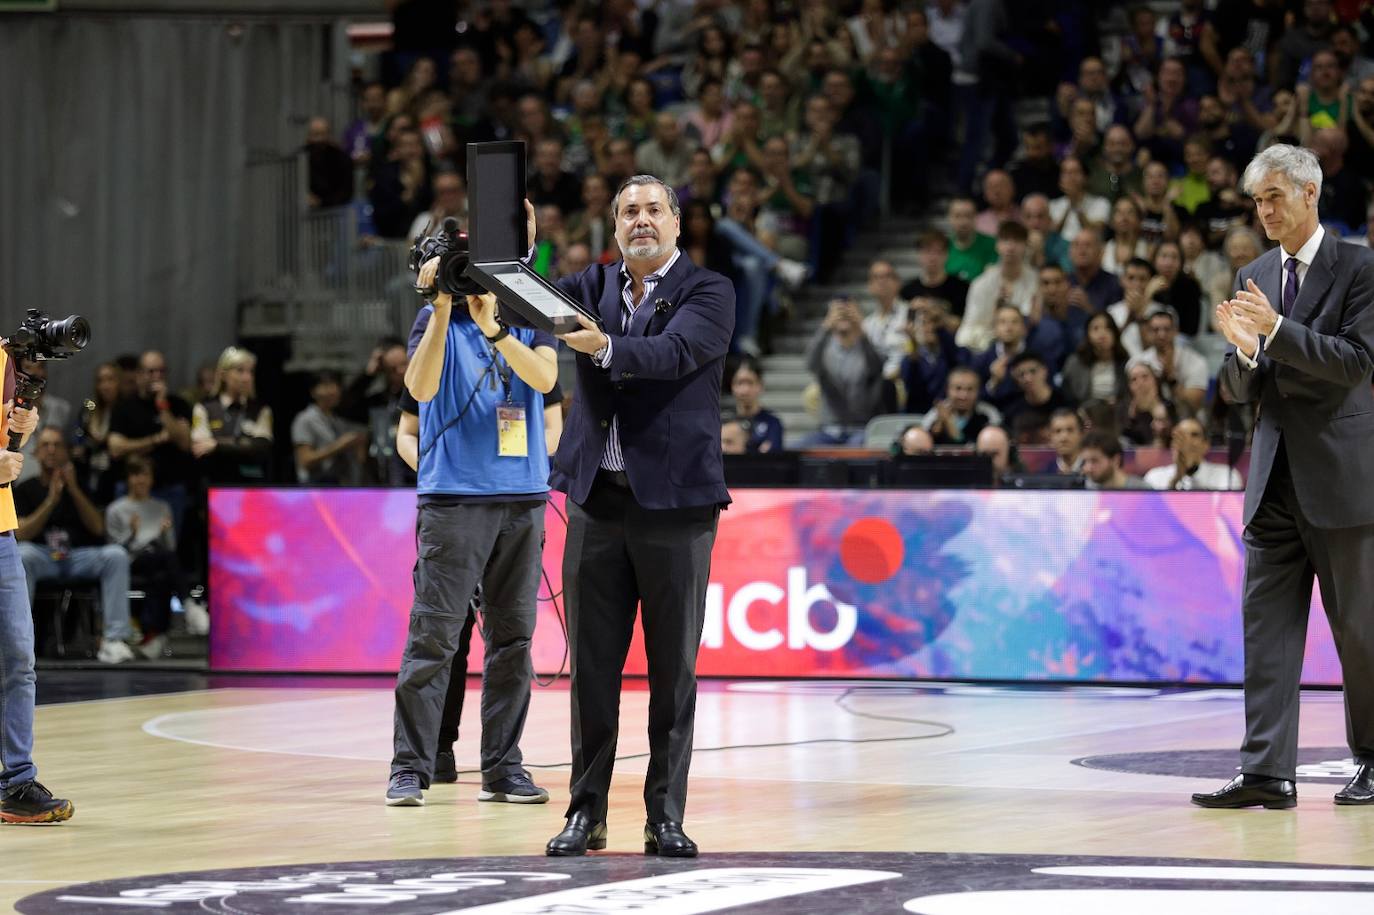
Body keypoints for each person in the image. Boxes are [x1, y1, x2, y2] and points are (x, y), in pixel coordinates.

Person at [540, 175, 734, 858]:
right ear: (614, 225)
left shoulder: (709, 291)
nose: (641, 219)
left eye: (654, 209)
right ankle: (584, 812)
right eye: (629, 210)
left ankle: (664, 815)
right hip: (596, 501)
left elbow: (673, 354)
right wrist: (504, 254)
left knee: (672, 669)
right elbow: (527, 301)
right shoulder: (588, 287)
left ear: (676, 224)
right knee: (592, 669)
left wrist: (601, 347)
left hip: (676, 506)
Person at [1193, 144, 1374, 810]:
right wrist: (1245, 355)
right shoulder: (1256, 271)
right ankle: (1267, 768)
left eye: (1273, 196)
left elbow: (1357, 363)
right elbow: (1240, 384)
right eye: (1256, 200)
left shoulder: (1360, 266)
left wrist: (1277, 331)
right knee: (1264, 628)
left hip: (1344, 476)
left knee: (1362, 631)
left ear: (1309, 193)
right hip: (1273, 477)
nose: (1263, 210)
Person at [385, 242, 560, 809]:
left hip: (522, 499)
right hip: (455, 497)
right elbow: (420, 389)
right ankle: (410, 766)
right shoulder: (431, 316)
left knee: (513, 642)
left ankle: (503, 768)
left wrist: (495, 329)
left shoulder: (531, 310)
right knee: (434, 637)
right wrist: (440, 307)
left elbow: (542, 380)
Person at [0, 363, 67, 823]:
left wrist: (18, 421)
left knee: (20, 657)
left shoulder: (2, 358)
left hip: (0, 530)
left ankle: (17, 782)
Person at [16, 428, 134, 666]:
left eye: (57, 445)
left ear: (67, 452)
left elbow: (98, 528)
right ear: (37, 453)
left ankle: (114, 640)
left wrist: (74, 491)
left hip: (76, 557)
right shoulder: (25, 489)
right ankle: (19, 642)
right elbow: (21, 532)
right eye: (46, 445)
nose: (51, 450)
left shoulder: (80, 486)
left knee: (116, 555)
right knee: (21, 555)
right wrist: (51, 500)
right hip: (43, 557)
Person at [105, 456, 190, 660]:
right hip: (131, 560)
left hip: (158, 559)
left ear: (151, 479)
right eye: (135, 475)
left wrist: (165, 532)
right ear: (128, 479)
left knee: (162, 574)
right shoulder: (116, 509)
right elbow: (112, 553)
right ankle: (188, 605)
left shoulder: (162, 507)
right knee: (161, 561)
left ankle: (154, 636)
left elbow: (171, 548)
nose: (140, 480)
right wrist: (132, 533)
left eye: (145, 475)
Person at [190, 347, 273, 484]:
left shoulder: (261, 409)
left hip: (251, 484)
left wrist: (217, 445)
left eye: (250, 371)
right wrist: (243, 445)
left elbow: (262, 447)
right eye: (240, 371)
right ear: (223, 374)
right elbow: (201, 448)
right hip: (215, 484)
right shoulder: (204, 408)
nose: (247, 378)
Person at [291, 371, 368, 484]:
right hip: (314, 487)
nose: (333, 391)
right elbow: (305, 460)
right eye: (326, 386)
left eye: (336, 386)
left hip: (338, 486)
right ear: (313, 392)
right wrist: (340, 445)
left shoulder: (338, 421)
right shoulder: (305, 419)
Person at [1143, 417, 1242, 491]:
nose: (1187, 441)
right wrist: (1176, 479)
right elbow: (1156, 513)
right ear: (1173, 444)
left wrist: (1189, 467)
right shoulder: (1155, 477)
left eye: (1194, 435)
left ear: (1206, 445)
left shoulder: (1227, 476)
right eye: (1181, 435)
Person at [726, 358, 784, 454]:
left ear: (760, 386)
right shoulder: (724, 422)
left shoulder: (773, 423)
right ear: (732, 386)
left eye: (750, 382)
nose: (745, 390)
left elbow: (772, 458)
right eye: (740, 382)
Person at [1079, 432, 1147, 490]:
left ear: (1115, 460)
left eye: (1095, 461)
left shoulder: (1142, 491)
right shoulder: (1085, 489)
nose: (1088, 468)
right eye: (1085, 462)